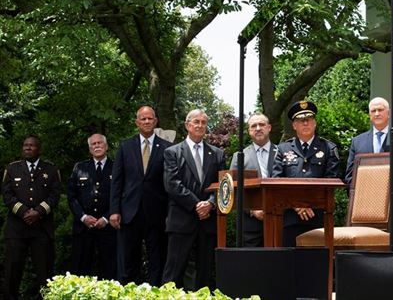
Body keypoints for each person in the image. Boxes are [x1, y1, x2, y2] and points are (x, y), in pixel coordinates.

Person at [162, 109, 225, 290]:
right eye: (195, 122)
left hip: (208, 221)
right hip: (182, 220)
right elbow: (172, 184)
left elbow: (223, 185)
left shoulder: (217, 154)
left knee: (204, 274)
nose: (199, 125)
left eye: (203, 122)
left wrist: (211, 203)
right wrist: (197, 204)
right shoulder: (172, 152)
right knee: (173, 273)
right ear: (187, 125)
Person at [109, 106, 171, 286]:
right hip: (129, 213)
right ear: (137, 122)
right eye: (143, 119)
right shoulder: (125, 146)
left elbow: (169, 184)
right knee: (128, 261)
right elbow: (117, 182)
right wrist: (114, 211)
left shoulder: (167, 148)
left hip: (157, 214)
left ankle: (156, 295)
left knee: (157, 260)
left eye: (150, 118)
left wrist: (169, 213)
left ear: (155, 121)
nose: (146, 122)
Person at [272, 101, 340, 247]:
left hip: (319, 218)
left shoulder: (328, 148)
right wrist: (297, 205)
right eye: (300, 120)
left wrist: (308, 204)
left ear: (314, 123)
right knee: (289, 264)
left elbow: (330, 182)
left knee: (317, 263)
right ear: (294, 125)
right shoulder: (282, 150)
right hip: (290, 218)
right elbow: (276, 182)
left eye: (308, 119)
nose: (305, 123)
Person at [2, 135, 61, 300]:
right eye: (25, 145)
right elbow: (7, 195)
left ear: (39, 149)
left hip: (41, 229)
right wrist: (23, 212)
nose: (27, 148)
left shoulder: (50, 169)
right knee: (12, 270)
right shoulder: (12, 169)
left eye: (32, 145)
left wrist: (39, 212)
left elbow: (55, 195)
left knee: (45, 272)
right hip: (17, 228)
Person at [66, 133, 116, 280]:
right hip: (84, 227)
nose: (97, 146)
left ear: (106, 146)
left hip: (108, 227)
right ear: (90, 149)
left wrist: (106, 218)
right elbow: (72, 196)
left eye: (100, 143)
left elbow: (121, 195)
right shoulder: (80, 167)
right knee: (80, 268)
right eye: (93, 144)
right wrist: (83, 217)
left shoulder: (116, 167)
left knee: (109, 268)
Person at [229, 113, 277, 247]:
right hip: (250, 223)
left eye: (261, 124)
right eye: (253, 126)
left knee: (279, 263)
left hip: (279, 218)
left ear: (269, 127)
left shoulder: (283, 153)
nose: (258, 128)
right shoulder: (239, 157)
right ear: (249, 131)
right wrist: (252, 210)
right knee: (252, 264)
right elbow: (234, 188)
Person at [344, 97, 390, 187]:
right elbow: (350, 176)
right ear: (369, 115)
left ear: (388, 113)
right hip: (364, 196)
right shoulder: (357, 142)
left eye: (380, 110)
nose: (377, 114)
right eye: (373, 111)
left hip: (392, 197)